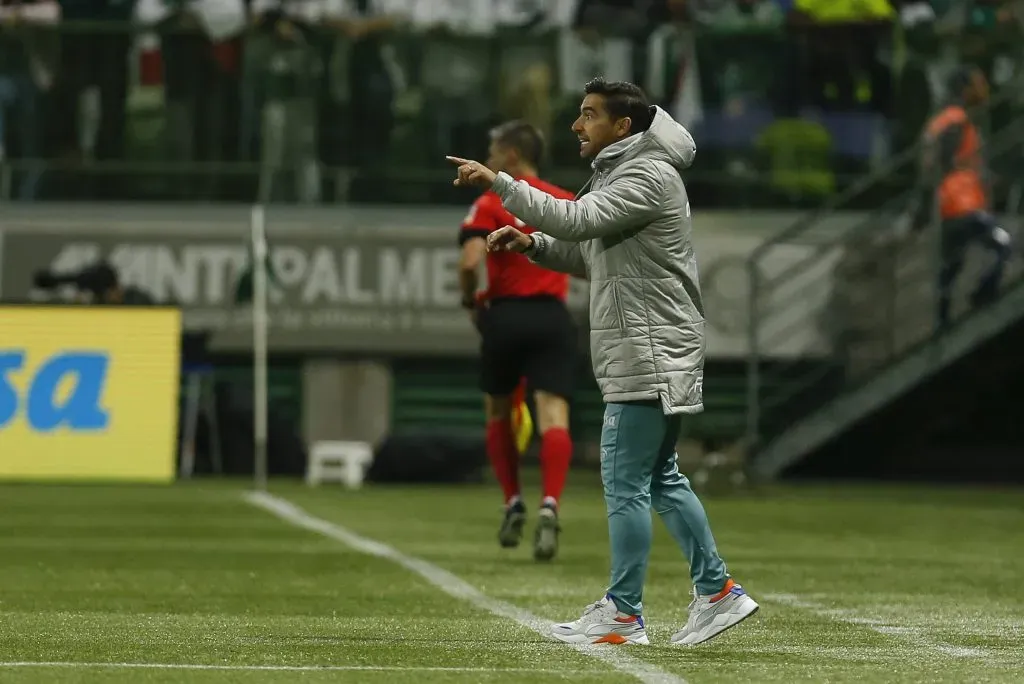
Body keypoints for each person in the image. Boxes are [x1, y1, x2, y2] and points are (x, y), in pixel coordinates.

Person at [447, 78, 759, 646]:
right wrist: (532, 244)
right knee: (660, 478)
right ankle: (718, 594)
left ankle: (624, 614)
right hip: (651, 346)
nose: (576, 125)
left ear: (623, 127)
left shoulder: (647, 174)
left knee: (625, 481)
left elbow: (577, 220)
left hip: (649, 350)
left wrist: (502, 185)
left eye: (588, 115)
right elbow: (591, 250)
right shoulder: (627, 171)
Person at [457, 120, 578, 562]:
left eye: (492, 151)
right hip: (552, 316)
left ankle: (513, 499)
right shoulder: (563, 199)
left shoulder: (490, 202)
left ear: (510, 156)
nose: (487, 159)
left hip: (505, 316)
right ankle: (551, 504)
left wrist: (471, 301)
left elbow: (471, 262)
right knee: (554, 417)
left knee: (499, 410)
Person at [916, 66, 1011, 328]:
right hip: (964, 203)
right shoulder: (957, 120)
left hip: (947, 205)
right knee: (1004, 245)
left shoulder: (943, 119)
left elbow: (932, 165)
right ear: (965, 89)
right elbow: (948, 160)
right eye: (979, 84)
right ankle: (982, 294)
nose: (985, 89)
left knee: (952, 265)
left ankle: (942, 324)